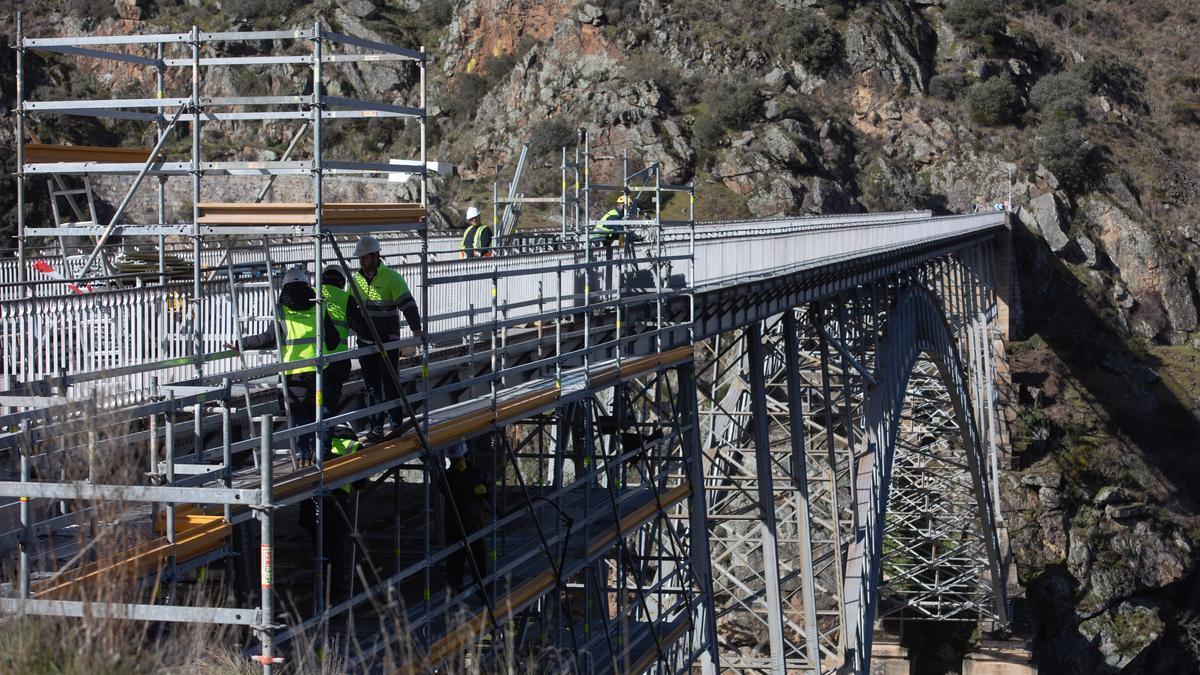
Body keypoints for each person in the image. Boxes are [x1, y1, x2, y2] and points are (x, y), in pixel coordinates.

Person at [233, 266, 339, 463]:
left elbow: (269, 338)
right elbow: (333, 340)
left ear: (285, 288)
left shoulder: (282, 311)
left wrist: (242, 343)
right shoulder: (319, 306)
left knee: (298, 413)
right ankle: (320, 452)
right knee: (317, 413)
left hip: (293, 373)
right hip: (318, 372)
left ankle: (301, 453)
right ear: (307, 286)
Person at [350, 235, 423, 441]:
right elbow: (351, 310)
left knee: (390, 382)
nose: (363, 261)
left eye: (365, 257)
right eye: (361, 258)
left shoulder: (392, 278)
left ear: (375, 255)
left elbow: (408, 305)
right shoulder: (355, 281)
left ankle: (395, 422)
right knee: (372, 385)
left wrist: (416, 330)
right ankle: (376, 427)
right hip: (366, 342)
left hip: (388, 341)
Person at [298, 424, 365, 602]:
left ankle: (321, 597)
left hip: (310, 507)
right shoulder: (353, 445)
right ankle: (334, 599)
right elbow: (360, 483)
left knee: (319, 553)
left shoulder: (311, 443)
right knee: (335, 558)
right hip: (335, 510)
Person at [439, 441, 489, 597]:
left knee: (478, 555)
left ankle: (482, 589)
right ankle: (455, 588)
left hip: (472, 519)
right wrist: (458, 475)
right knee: (456, 557)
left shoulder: (474, 472)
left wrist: (482, 489)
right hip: (456, 520)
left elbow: (484, 487)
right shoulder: (449, 476)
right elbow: (446, 488)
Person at [319, 265, 370, 415]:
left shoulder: (312, 295)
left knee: (313, 407)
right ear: (342, 282)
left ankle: (314, 437)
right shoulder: (346, 298)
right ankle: (326, 438)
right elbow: (361, 328)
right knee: (329, 407)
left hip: (312, 361)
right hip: (337, 361)